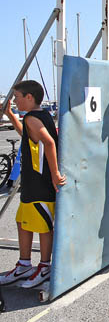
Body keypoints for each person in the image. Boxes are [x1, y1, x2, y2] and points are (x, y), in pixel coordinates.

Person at [0, 80, 66, 288]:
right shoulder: (37, 116)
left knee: (44, 227)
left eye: (17, 97)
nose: (15, 100)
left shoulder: (32, 118)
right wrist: (11, 116)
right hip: (31, 183)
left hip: (41, 183)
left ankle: (45, 266)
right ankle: (24, 264)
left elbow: (48, 142)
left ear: (29, 97)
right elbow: (29, 136)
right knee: (22, 222)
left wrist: (55, 174)